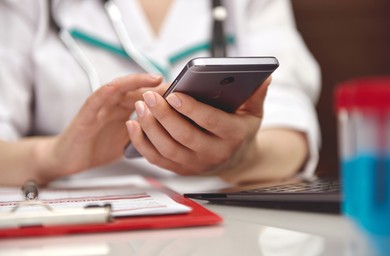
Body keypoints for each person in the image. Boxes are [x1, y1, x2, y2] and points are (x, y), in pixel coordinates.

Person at [0, 0, 321, 187]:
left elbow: (292, 137)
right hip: (81, 225)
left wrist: (241, 158)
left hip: (227, 219)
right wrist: (51, 157)